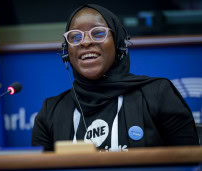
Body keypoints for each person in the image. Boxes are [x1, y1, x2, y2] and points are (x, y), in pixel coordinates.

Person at [32, 4, 199, 151]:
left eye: (98, 33)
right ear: (66, 52)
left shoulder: (158, 94)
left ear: (118, 43)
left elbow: (190, 163)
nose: (85, 42)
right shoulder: (50, 112)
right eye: (75, 37)